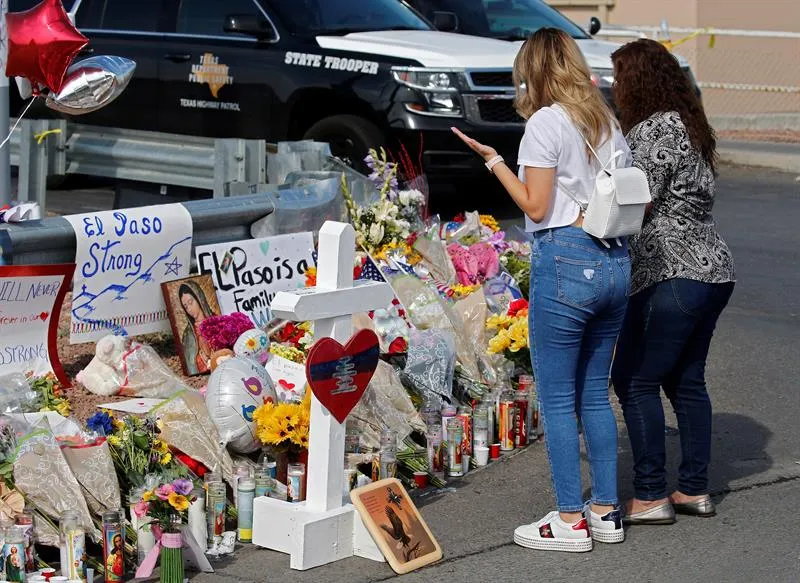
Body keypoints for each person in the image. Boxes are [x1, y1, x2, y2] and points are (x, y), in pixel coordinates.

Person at [453, 27, 631, 552]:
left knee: (556, 398)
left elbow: (534, 205)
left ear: (531, 72)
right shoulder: (605, 121)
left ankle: (570, 519)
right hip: (615, 260)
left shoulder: (544, 124)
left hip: (567, 258)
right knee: (595, 394)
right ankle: (605, 511)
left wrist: (493, 161)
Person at [609, 39, 736, 524]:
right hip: (713, 271)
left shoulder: (653, 128)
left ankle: (649, 495)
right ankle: (694, 489)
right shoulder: (693, 127)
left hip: (672, 271)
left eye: (620, 78)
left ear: (638, 80)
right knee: (686, 380)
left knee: (634, 379)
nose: (616, 88)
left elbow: (633, 202)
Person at [178, 281, 215, 375]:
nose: (189, 309)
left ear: (199, 299)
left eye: (191, 302)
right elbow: (190, 365)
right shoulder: (188, 335)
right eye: (185, 307)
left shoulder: (217, 321)